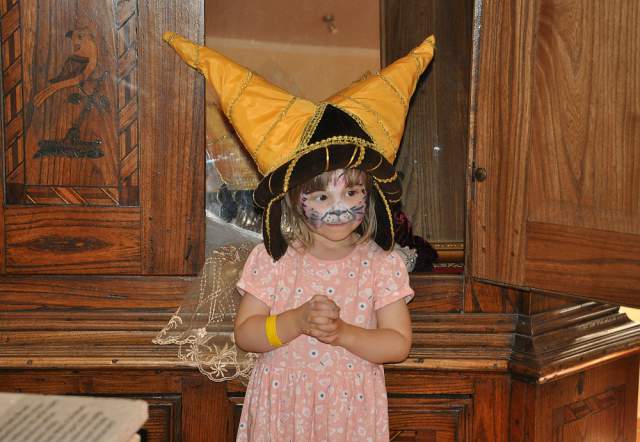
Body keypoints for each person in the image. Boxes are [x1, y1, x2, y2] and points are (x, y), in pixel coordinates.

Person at [162, 31, 435, 441]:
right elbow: (247, 334)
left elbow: (398, 343)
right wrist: (294, 322)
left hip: (349, 414)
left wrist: (344, 334)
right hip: (282, 411)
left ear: (371, 194)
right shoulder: (273, 260)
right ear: (293, 200)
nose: (339, 207)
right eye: (321, 195)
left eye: (352, 192)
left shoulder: (381, 264)